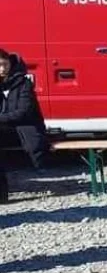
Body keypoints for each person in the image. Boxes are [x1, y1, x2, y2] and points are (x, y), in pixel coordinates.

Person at [0, 49, 48, 204]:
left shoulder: (24, 83)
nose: (2, 69)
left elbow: (23, 112)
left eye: (4, 64)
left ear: (10, 63)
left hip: (25, 130)